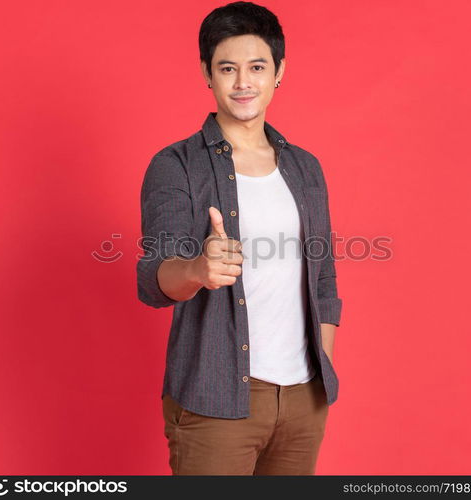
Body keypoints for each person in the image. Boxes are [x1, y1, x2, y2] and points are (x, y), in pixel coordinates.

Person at [136, 1, 343, 475]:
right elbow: (152, 278)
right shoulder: (176, 165)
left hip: (303, 398)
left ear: (279, 72)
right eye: (228, 68)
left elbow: (324, 277)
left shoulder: (304, 167)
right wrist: (197, 270)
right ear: (207, 74)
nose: (243, 82)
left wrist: (321, 375)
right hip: (216, 397)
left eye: (257, 67)